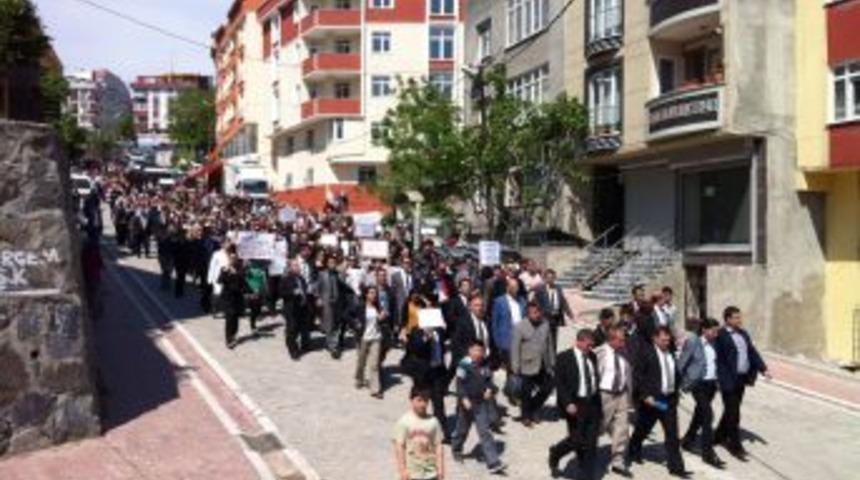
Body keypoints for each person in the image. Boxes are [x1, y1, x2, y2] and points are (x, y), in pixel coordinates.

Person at [628, 326, 688, 478]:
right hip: (652, 400)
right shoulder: (646, 353)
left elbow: (675, 373)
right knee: (643, 428)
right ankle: (633, 449)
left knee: (672, 434)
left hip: (668, 401)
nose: (667, 342)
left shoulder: (671, 353)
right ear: (655, 338)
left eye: (668, 340)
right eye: (663, 340)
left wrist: (677, 390)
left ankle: (676, 467)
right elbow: (637, 376)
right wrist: (644, 395)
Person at [714, 306, 771, 461]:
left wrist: (763, 369)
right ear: (728, 319)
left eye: (740, 317)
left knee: (731, 410)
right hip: (728, 379)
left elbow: (752, 352)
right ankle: (735, 446)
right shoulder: (721, 335)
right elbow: (717, 359)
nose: (740, 320)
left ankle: (718, 435)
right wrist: (719, 380)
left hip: (741, 378)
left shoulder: (743, 334)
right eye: (736, 317)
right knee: (734, 413)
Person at [549, 329, 601, 479]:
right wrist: (568, 403)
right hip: (575, 404)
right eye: (588, 345)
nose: (590, 348)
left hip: (592, 403)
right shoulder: (564, 358)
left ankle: (586, 474)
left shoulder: (592, 356)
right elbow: (560, 384)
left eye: (592, 345)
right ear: (579, 341)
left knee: (591, 444)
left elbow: (594, 379)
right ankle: (555, 453)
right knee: (576, 440)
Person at [451, 340, 506, 475]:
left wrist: (489, 389)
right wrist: (463, 398)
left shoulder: (485, 365)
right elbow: (459, 384)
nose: (478, 353)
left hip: (481, 404)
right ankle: (456, 449)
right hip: (466, 405)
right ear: (469, 351)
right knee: (462, 429)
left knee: (485, 432)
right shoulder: (463, 366)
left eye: (480, 351)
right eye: (475, 350)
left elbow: (490, 382)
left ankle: (493, 462)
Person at [678, 317, 725, 469]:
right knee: (708, 415)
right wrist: (678, 384)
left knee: (700, 414)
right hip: (698, 384)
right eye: (713, 331)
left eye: (717, 331)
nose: (716, 334)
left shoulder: (716, 343)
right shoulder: (693, 342)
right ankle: (708, 453)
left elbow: (717, 362)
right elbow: (681, 363)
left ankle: (687, 440)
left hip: (712, 384)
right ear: (704, 329)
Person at [595, 326, 633, 477]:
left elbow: (629, 371)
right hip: (604, 394)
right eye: (621, 340)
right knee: (599, 427)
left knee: (622, 428)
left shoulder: (625, 352)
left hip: (622, 394)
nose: (624, 343)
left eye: (624, 340)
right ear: (611, 340)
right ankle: (584, 451)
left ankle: (618, 461)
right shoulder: (599, 353)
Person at [510, 302, 555, 427]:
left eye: (538, 312)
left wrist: (552, 362)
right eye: (533, 313)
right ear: (528, 314)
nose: (537, 315)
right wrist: (515, 366)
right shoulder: (520, 326)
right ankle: (526, 416)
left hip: (543, 363)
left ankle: (533, 408)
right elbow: (515, 348)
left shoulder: (545, 324)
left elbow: (550, 344)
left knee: (548, 387)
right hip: (526, 364)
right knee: (526, 392)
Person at [403, 326, 450, 441]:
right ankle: (416, 428)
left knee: (439, 403)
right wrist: (425, 337)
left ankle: (442, 433)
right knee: (420, 401)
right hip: (422, 373)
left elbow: (443, 348)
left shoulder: (440, 331)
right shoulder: (416, 331)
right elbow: (414, 349)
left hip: (437, 372)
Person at [393, 386, 445, 480]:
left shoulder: (433, 422)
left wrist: (440, 470)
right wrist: (402, 470)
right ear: (411, 400)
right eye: (419, 400)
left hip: (431, 473)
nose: (422, 404)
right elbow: (399, 447)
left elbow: (438, 446)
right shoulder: (404, 422)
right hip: (412, 474)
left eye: (426, 400)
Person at [355, 286, 388, 399]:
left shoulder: (378, 307)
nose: (373, 295)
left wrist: (382, 318)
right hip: (363, 338)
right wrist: (355, 324)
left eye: (375, 293)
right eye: (371, 293)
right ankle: (359, 379)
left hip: (376, 338)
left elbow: (380, 320)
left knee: (374, 365)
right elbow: (346, 314)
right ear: (366, 295)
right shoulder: (360, 306)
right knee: (361, 362)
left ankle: (375, 389)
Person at [535, 269, 574, 354]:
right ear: (545, 278)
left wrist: (570, 313)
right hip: (545, 318)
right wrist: (538, 316)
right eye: (548, 278)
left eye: (552, 278)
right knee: (545, 338)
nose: (550, 280)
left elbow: (563, 301)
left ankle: (553, 356)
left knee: (554, 338)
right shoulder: (540, 289)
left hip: (556, 317)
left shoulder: (558, 288)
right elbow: (536, 303)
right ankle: (544, 357)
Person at [490, 277, 526, 369]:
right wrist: (497, 342)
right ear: (507, 288)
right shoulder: (499, 301)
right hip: (506, 340)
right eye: (512, 286)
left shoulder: (522, 301)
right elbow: (495, 323)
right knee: (510, 367)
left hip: (521, 338)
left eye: (517, 286)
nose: (515, 289)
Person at [281, 258, 311, 359]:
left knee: (298, 328)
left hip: (301, 307)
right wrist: (292, 293)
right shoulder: (286, 279)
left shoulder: (301, 278)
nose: (298, 267)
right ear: (290, 268)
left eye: (298, 265)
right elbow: (281, 292)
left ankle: (299, 345)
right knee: (291, 329)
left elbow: (304, 290)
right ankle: (293, 350)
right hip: (291, 308)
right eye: (295, 266)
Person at [317, 254, 344, 359]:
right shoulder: (322, 274)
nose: (332, 264)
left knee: (336, 325)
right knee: (329, 324)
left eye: (334, 263)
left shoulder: (338, 274)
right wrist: (318, 298)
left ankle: (334, 343)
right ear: (327, 264)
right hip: (326, 302)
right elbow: (318, 287)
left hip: (337, 302)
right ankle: (332, 346)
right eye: (330, 263)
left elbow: (343, 287)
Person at [219, 250, 246, 349]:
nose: (232, 260)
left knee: (235, 319)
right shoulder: (224, 269)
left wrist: (236, 273)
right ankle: (228, 339)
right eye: (231, 258)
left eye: (234, 258)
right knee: (229, 318)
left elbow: (243, 281)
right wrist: (225, 271)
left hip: (237, 297)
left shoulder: (241, 269)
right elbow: (220, 280)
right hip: (227, 297)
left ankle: (233, 334)